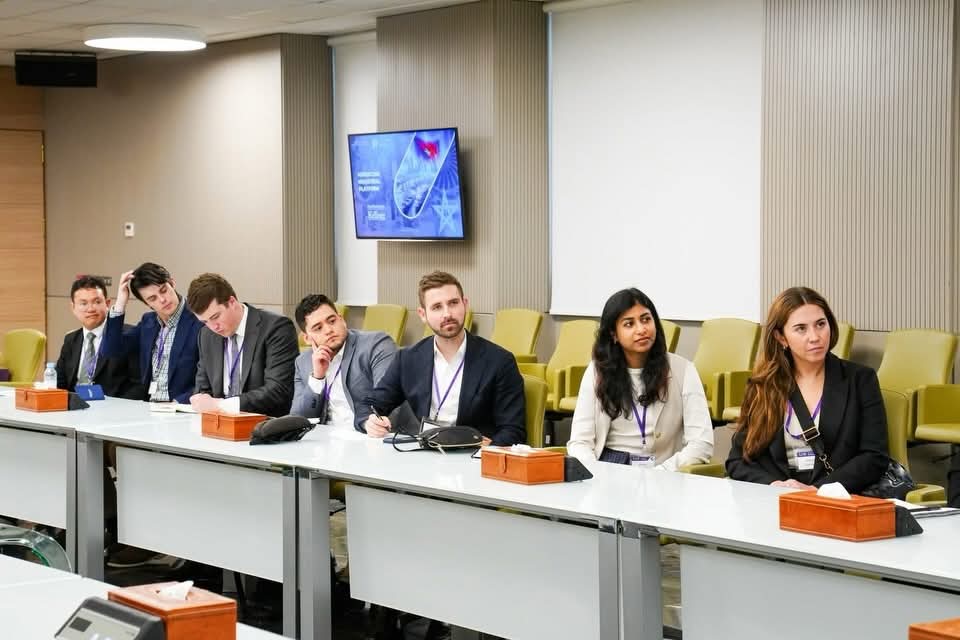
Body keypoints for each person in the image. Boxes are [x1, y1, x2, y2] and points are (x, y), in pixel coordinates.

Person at [726, 287, 888, 493]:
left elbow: (874, 456)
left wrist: (816, 490)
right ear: (781, 337)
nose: (814, 337)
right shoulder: (763, 385)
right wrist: (774, 486)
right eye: (801, 328)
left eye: (820, 324)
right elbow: (738, 461)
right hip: (777, 499)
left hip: (835, 498)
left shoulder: (860, 380)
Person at [364, 271, 525, 446]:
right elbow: (371, 404)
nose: (447, 314)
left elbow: (514, 431)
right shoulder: (407, 359)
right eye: (437, 307)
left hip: (474, 456)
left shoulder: (499, 361)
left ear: (465, 304)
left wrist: (488, 447)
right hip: (426, 452)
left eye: (453, 303)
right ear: (423, 314)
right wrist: (369, 422)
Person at [567, 288, 713, 469]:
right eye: (629, 324)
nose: (641, 329)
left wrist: (665, 471)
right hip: (610, 467)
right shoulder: (597, 372)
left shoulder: (683, 370)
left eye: (646, 319)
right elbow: (580, 442)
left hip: (663, 468)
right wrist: (597, 474)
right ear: (614, 334)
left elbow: (701, 444)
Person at [186, 273, 299, 417]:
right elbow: (202, 390)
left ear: (232, 302)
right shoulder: (206, 335)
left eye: (215, 317)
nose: (213, 327)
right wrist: (201, 401)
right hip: (220, 423)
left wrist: (222, 405)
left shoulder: (276, 327)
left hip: (265, 423)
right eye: (205, 322)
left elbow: (278, 389)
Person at [291, 294, 399, 430]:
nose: (328, 330)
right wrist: (317, 377)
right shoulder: (303, 362)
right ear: (307, 338)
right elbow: (298, 419)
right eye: (318, 328)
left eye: (332, 321)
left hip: (365, 435)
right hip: (325, 438)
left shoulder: (375, 345)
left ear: (341, 320)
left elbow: (388, 398)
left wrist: (367, 423)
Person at [101, 263, 203, 404]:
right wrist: (120, 304)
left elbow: (208, 378)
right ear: (147, 304)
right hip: (150, 406)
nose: (162, 300)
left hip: (182, 408)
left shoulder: (199, 320)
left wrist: (177, 404)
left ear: (172, 283)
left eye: (163, 290)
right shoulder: (148, 322)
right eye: (152, 298)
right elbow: (110, 351)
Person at [55, 275, 143, 399]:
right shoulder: (70, 339)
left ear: (107, 304)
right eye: (83, 303)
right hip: (75, 406)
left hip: (112, 406)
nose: (90, 309)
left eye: (97, 302)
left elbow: (139, 385)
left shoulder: (127, 335)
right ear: (73, 307)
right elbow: (59, 382)